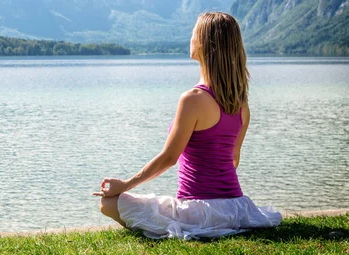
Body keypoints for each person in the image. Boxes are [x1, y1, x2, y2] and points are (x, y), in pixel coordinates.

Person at [93, 12, 282, 240]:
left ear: (204, 42)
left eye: (194, 33)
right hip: (237, 208)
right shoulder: (241, 103)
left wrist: (125, 185)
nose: (190, 38)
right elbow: (233, 160)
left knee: (107, 203)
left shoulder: (192, 99)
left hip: (198, 210)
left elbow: (169, 158)